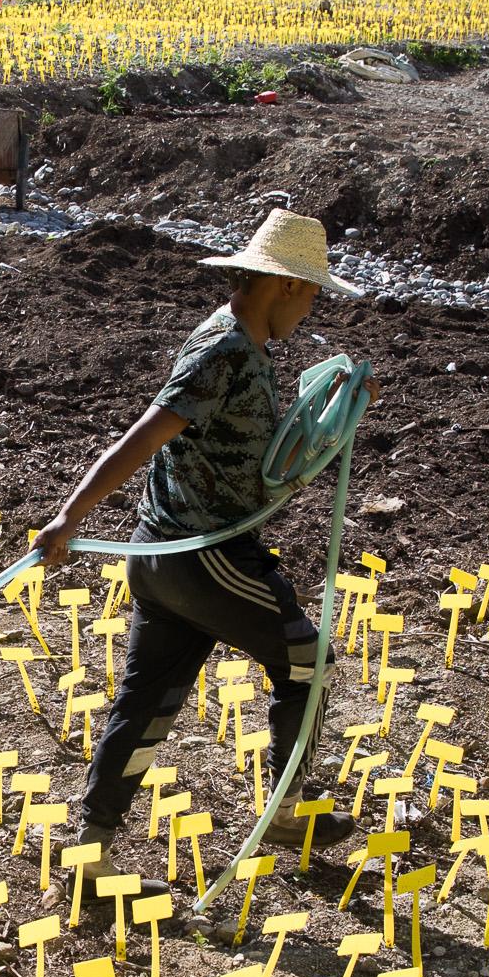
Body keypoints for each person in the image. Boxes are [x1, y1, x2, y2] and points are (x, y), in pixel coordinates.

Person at [31, 207, 353, 863]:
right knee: (310, 664)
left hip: (167, 556)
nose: (313, 309)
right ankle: (289, 815)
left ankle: (88, 859)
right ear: (286, 285)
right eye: (314, 293)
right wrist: (71, 516)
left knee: (145, 703)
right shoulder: (225, 348)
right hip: (201, 557)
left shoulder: (241, 345)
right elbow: (145, 436)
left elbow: (250, 449)